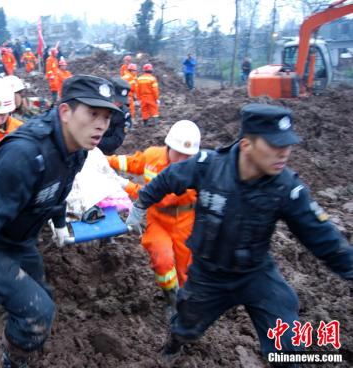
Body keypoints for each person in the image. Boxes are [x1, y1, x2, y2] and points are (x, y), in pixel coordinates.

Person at [125, 103, 353, 364]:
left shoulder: (286, 187)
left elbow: (321, 236)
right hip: (208, 275)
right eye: (275, 145)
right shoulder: (208, 166)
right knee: (185, 326)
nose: (285, 153)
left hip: (255, 273)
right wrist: (141, 203)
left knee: (286, 337)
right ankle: (173, 346)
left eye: (288, 145)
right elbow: (168, 178)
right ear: (246, 144)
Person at [0, 75, 121, 367]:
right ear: (65, 112)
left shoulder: (77, 151)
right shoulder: (25, 154)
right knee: (38, 311)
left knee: (41, 293)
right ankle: (13, 361)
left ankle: (12, 315)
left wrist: (60, 223)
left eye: (107, 116)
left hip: (20, 241)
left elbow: (60, 192)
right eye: (92, 114)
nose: (101, 124)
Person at [108, 120, 201, 319]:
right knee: (162, 259)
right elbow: (131, 163)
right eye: (178, 153)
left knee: (186, 269)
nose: (182, 159)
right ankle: (171, 298)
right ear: (168, 146)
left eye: (188, 155)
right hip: (158, 220)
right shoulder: (152, 157)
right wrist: (105, 160)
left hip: (186, 223)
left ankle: (185, 303)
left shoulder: (200, 168)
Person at [98, 77, 131, 155]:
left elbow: (115, 141)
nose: (119, 104)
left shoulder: (124, 114)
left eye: (121, 101)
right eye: (116, 100)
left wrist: (92, 141)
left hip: (105, 152)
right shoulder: (94, 105)